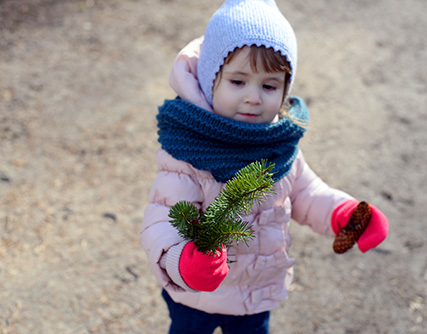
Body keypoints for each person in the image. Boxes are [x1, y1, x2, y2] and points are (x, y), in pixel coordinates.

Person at [140, 0, 389, 333]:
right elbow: (161, 221)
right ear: (210, 80)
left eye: (269, 86)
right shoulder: (188, 153)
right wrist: (182, 261)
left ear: (285, 90)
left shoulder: (278, 146)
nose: (254, 97)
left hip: (256, 295)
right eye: (238, 82)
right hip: (196, 295)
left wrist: (343, 213)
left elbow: (306, 193)